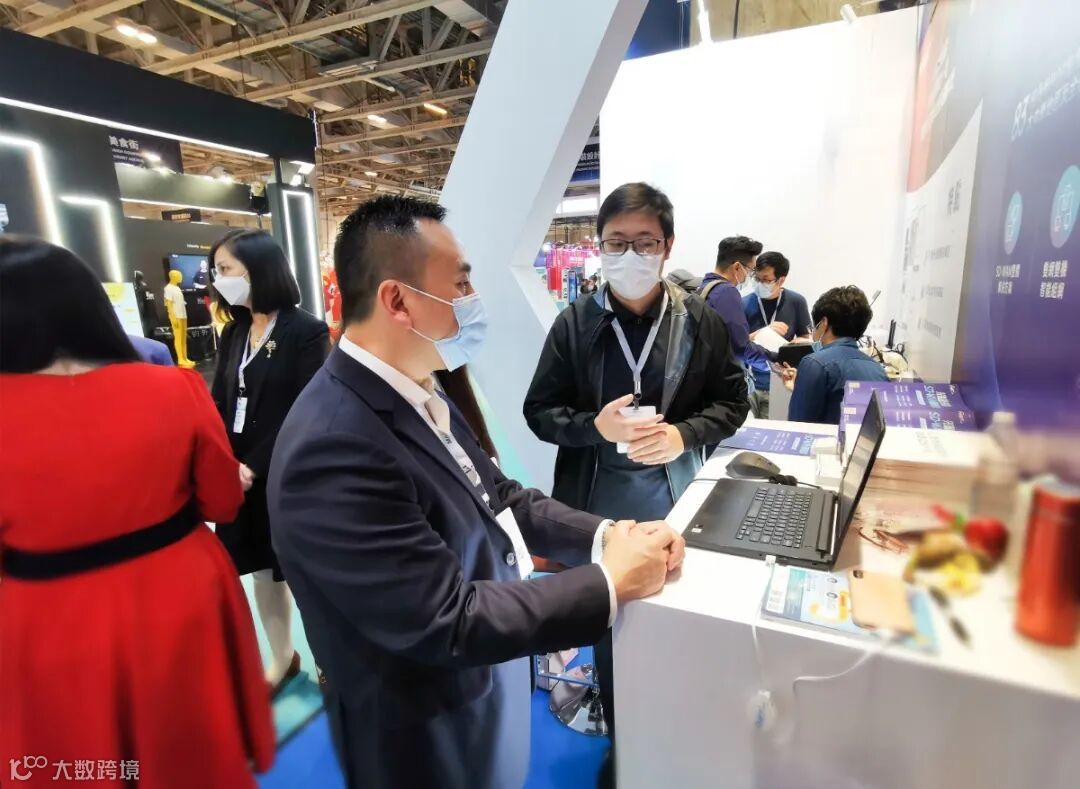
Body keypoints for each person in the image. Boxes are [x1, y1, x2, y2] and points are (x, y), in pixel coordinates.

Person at [267, 195, 684, 789]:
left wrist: (608, 535)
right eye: (460, 284)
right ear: (397, 300)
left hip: (479, 696)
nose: (472, 299)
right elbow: (445, 620)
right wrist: (609, 583)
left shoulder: (417, 388)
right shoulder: (336, 442)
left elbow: (501, 497)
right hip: (424, 738)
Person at [0, 237, 274, 787]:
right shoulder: (172, 388)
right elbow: (222, 500)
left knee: (72, 751)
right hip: (180, 598)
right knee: (192, 751)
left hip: (42, 619)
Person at [523, 182, 749, 771]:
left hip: (675, 492)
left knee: (676, 612)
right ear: (599, 247)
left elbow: (733, 403)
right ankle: (623, 740)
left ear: (667, 246)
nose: (629, 255)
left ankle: (672, 731)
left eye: (644, 242)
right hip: (596, 499)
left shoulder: (698, 320)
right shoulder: (575, 323)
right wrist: (593, 427)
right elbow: (539, 412)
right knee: (608, 616)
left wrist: (684, 434)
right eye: (615, 242)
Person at [209, 229, 330, 694]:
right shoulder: (234, 331)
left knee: (304, 573)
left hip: (287, 472)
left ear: (258, 269)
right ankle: (281, 657)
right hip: (238, 474)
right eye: (216, 270)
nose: (218, 279)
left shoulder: (305, 331)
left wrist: (254, 465)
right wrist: (221, 458)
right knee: (261, 570)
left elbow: (306, 409)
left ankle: (329, 660)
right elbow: (220, 402)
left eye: (226, 269)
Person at [788, 285, 888, 424]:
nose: (813, 331)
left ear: (824, 323)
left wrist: (803, 386)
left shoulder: (814, 363)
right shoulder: (878, 370)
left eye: (814, 326)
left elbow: (798, 423)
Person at [742, 251, 812, 418]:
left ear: (781, 280)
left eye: (766, 280)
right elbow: (736, 343)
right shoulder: (744, 303)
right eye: (757, 278)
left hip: (779, 382)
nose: (760, 283)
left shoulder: (796, 302)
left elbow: (807, 338)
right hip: (748, 383)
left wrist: (790, 346)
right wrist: (762, 332)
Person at [698, 235, 765, 385]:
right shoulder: (726, 292)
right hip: (718, 385)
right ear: (737, 267)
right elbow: (740, 348)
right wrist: (774, 360)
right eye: (751, 271)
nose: (750, 276)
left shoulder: (704, 288)